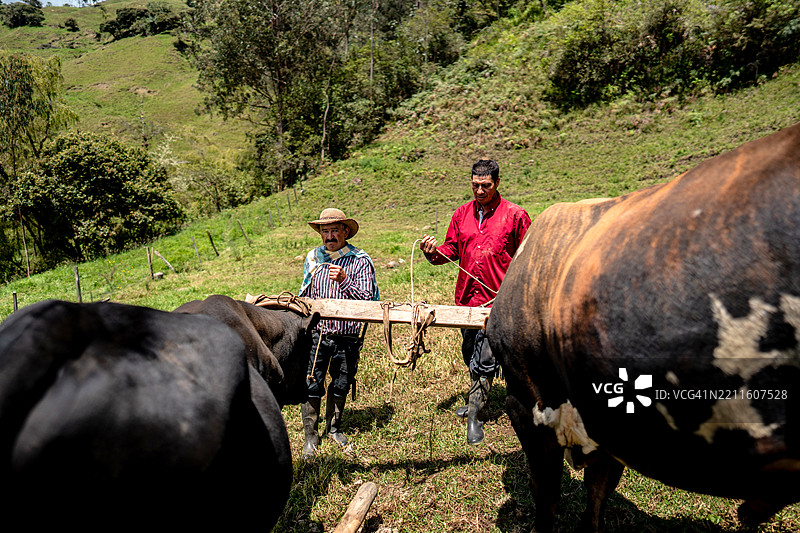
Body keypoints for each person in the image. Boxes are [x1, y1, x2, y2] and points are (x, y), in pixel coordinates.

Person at [419, 159, 531, 445]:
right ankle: (477, 397)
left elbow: (527, 258)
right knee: (469, 351)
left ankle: (475, 417)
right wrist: (432, 251)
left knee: (484, 357)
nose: (479, 191)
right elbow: (450, 250)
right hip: (466, 299)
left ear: (497, 184)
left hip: (498, 301)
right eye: (475, 185)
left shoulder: (516, 216)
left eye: (486, 186)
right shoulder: (461, 214)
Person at [298, 208, 379, 458]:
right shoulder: (314, 259)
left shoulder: (359, 260)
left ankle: (334, 428)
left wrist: (344, 280)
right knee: (311, 382)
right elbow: (304, 297)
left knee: (341, 383)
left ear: (346, 232)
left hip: (347, 337)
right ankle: (311, 437)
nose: (330, 236)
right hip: (319, 335)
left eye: (335, 230)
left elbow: (368, 300)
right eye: (325, 231)